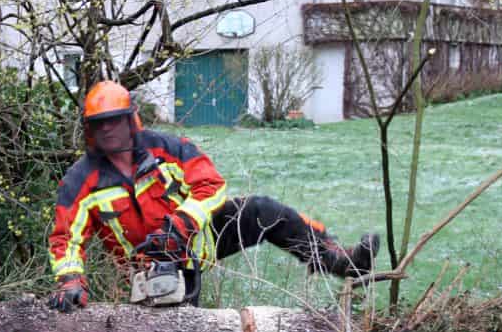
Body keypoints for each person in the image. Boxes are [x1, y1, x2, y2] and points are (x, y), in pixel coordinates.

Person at [47, 80, 378, 312]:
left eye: (113, 121)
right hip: (150, 267)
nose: (107, 129)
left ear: (129, 120)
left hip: (200, 236)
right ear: (90, 129)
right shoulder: (80, 180)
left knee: (264, 211)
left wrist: (182, 223)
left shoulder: (167, 149)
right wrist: (71, 280)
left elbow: (211, 184)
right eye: (100, 124)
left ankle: (340, 260)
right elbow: (65, 238)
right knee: (177, 327)